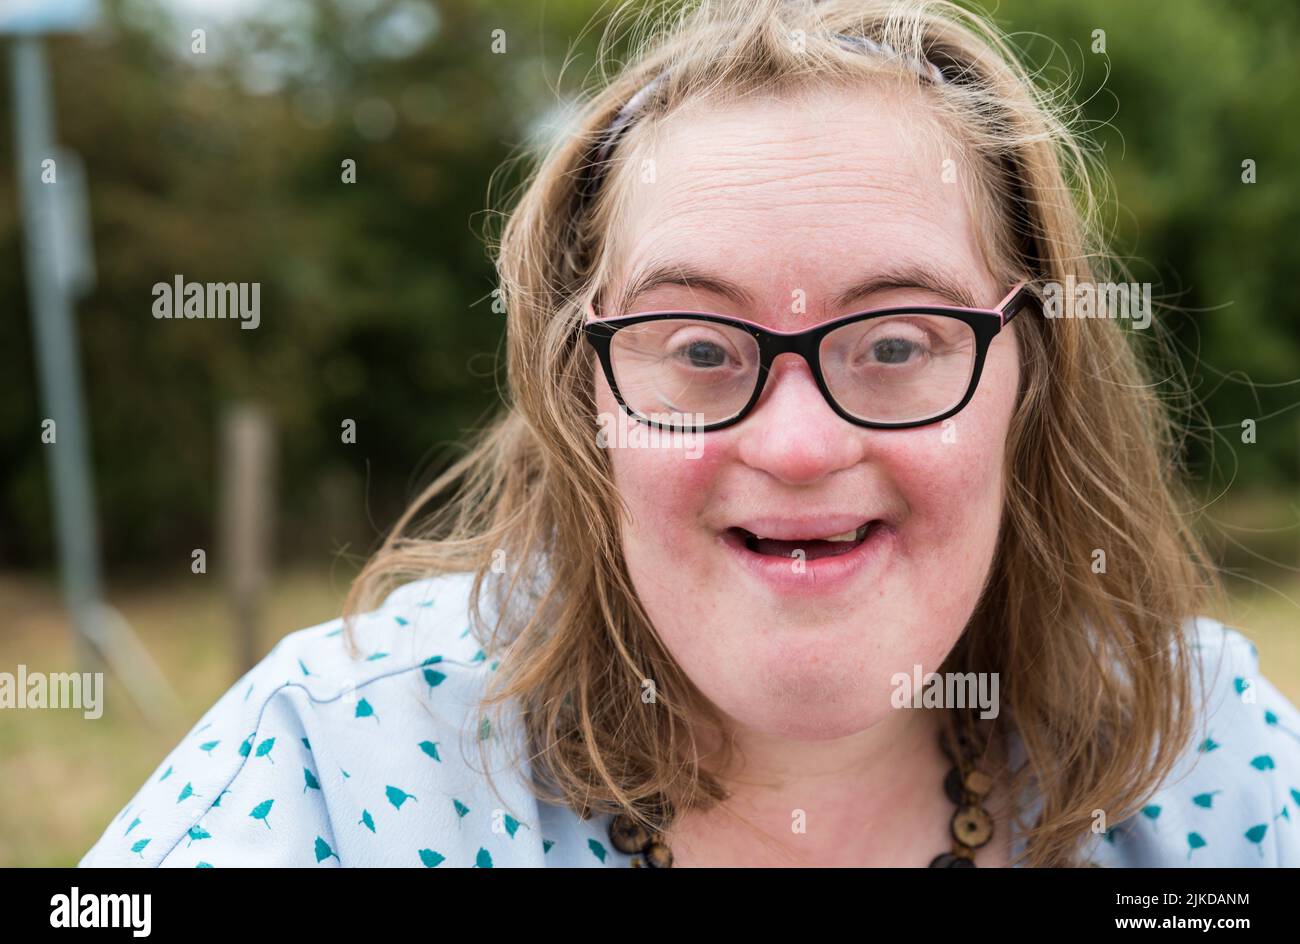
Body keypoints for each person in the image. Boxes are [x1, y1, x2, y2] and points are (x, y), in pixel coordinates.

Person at [81, 0, 1300, 868]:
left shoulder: (1207, 752)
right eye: (701, 351)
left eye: (893, 345)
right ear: (587, 399)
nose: (798, 446)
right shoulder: (335, 773)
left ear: (1030, 379)